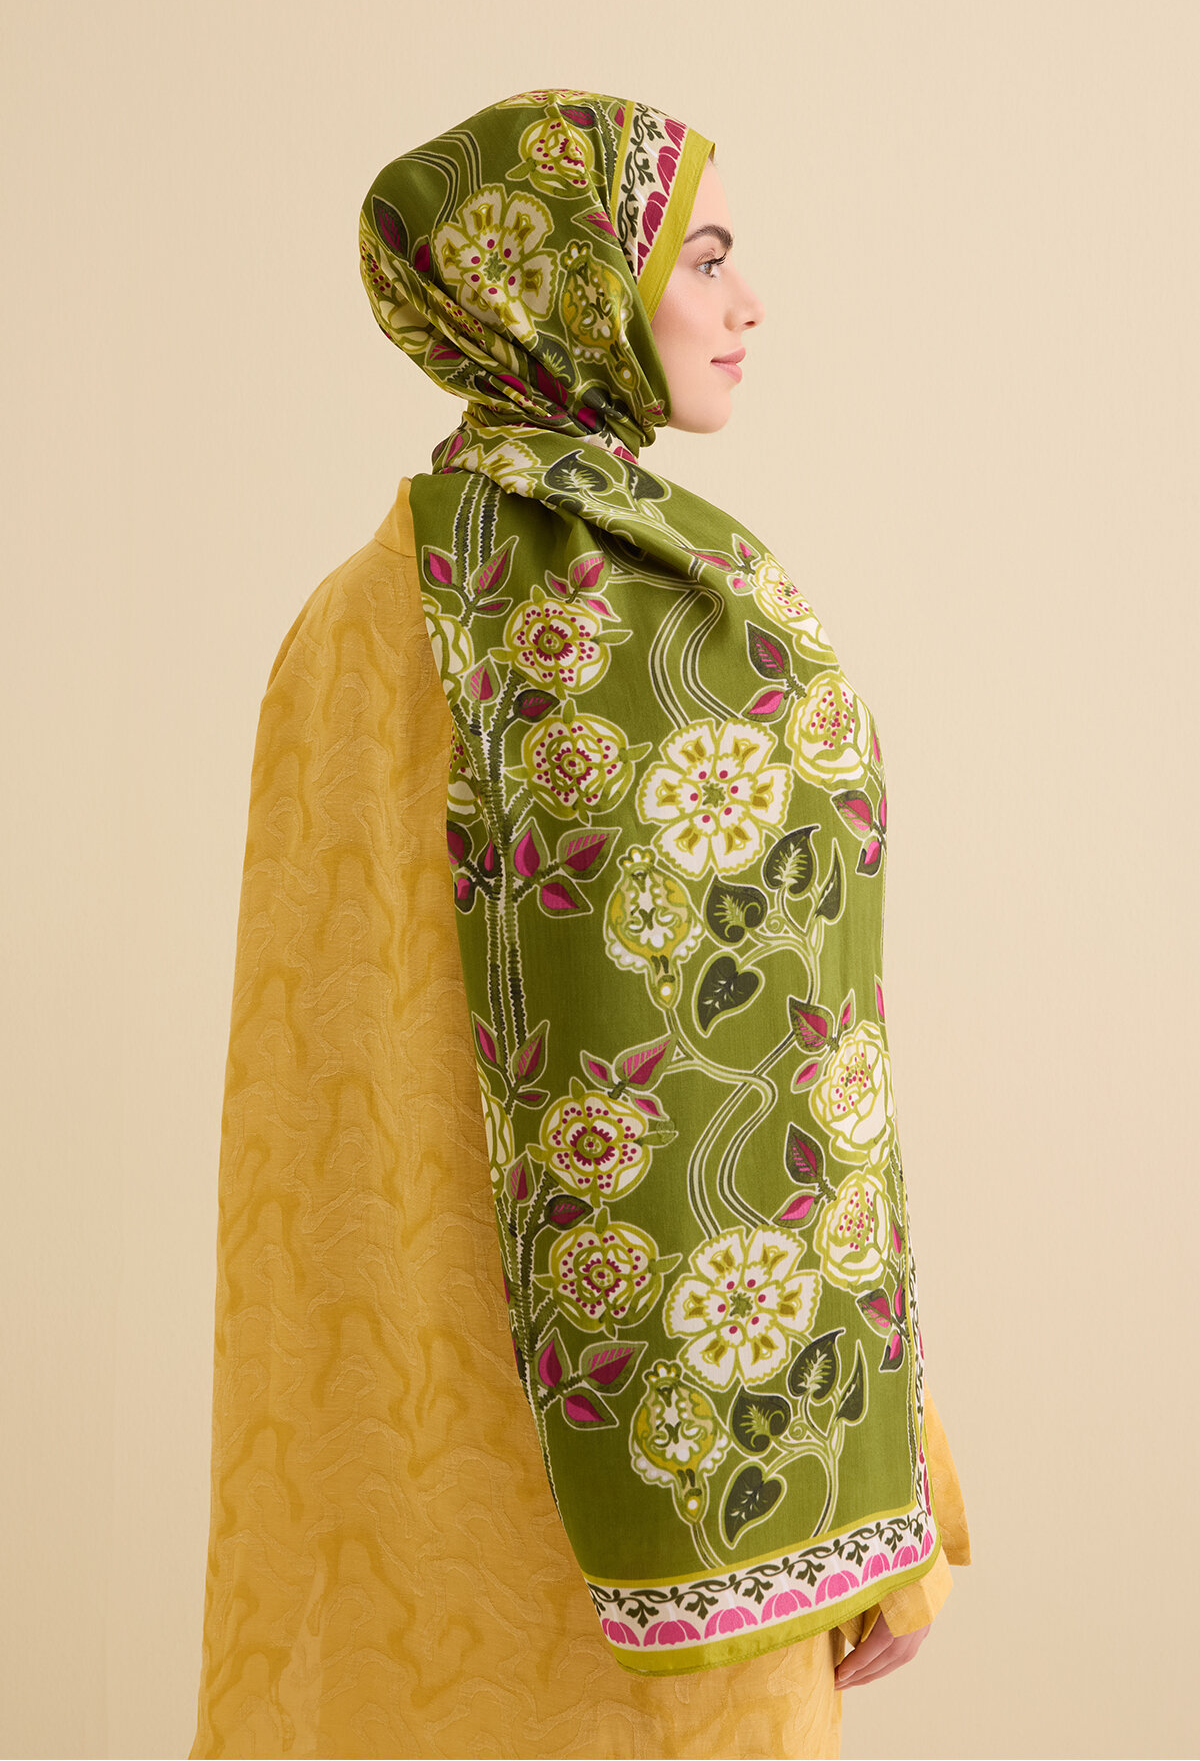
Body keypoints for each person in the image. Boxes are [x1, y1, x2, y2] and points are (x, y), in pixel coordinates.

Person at [188, 89, 970, 1761]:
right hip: (711, 1451)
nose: (748, 303)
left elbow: (307, 1130)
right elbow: (780, 1083)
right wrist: (867, 1486)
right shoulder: (684, 616)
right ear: (571, 291)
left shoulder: (350, 616)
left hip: (421, 1471)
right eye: (706, 256)